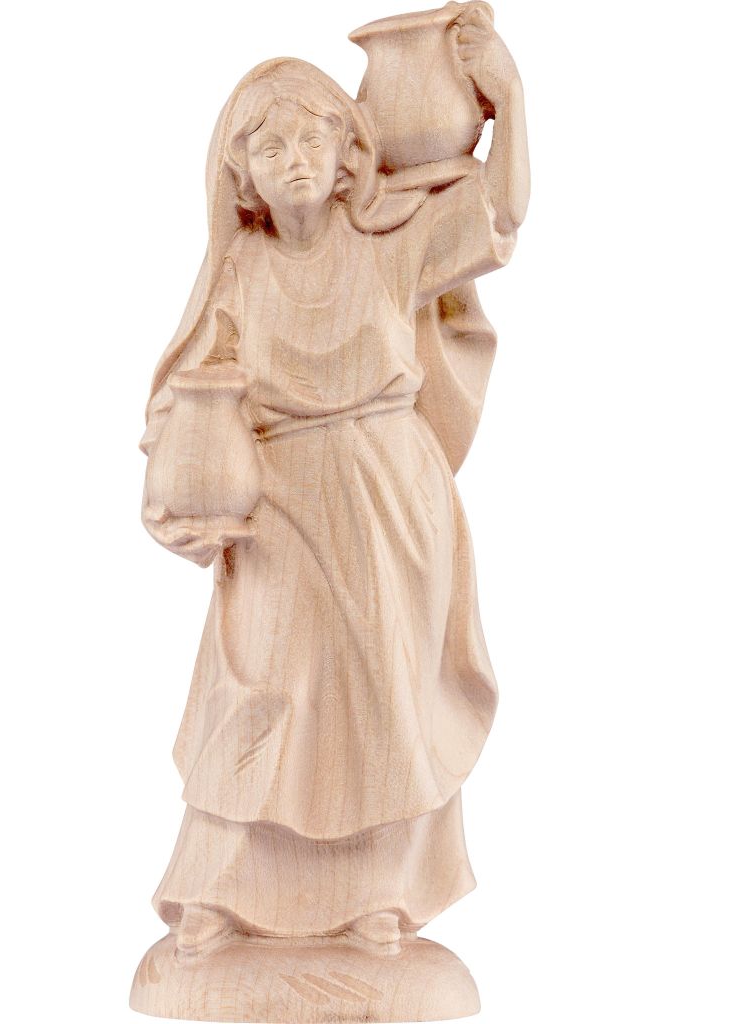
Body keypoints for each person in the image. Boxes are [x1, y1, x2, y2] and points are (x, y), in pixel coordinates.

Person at [140, 16, 529, 963]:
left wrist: (507, 99)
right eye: (271, 148)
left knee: (383, 699)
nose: (296, 162)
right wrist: (181, 487)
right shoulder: (240, 269)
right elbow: (184, 396)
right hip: (277, 511)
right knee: (256, 693)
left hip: (389, 500)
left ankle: (381, 897)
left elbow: (499, 214)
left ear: (349, 151)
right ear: (242, 175)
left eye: (313, 139)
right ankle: (218, 891)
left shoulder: (390, 244)